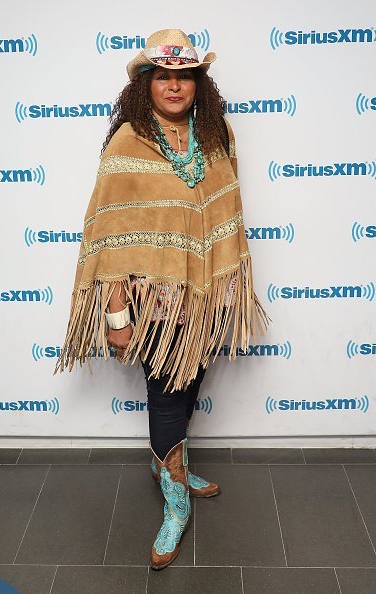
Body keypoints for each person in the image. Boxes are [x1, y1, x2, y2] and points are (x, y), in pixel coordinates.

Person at [54, 28, 270, 570]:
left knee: (192, 378)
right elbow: (108, 239)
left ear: (199, 82)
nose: (174, 86)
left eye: (185, 76)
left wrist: (224, 284)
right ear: (146, 82)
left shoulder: (218, 135)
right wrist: (116, 316)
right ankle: (174, 505)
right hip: (154, 302)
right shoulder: (128, 142)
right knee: (167, 394)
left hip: (205, 293)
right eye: (164, 76)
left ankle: (170, 463)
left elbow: (228, 211)